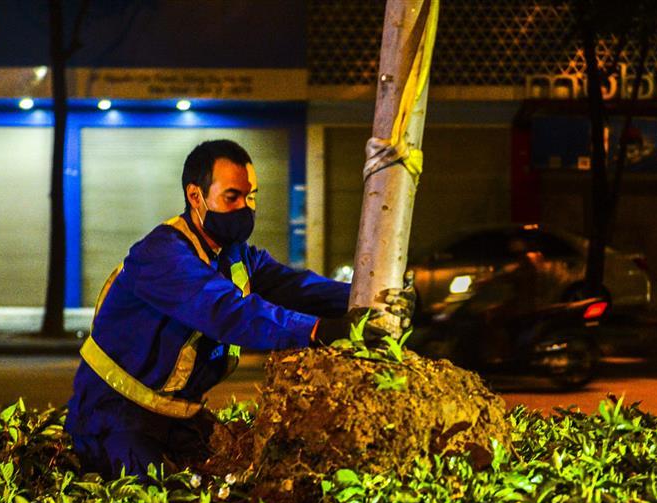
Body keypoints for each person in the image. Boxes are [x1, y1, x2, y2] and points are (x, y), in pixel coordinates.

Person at [66, 139, 414, 479]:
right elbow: (228, 311)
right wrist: (317, 330)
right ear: (195, 196)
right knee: (164, 497)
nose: (245, 208)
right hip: (113, 417)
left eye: (251, 197)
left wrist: (374, 299)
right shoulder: (162, 254)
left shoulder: (235, 255)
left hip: (175, 417)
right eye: (232, 197)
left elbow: (296, 288)